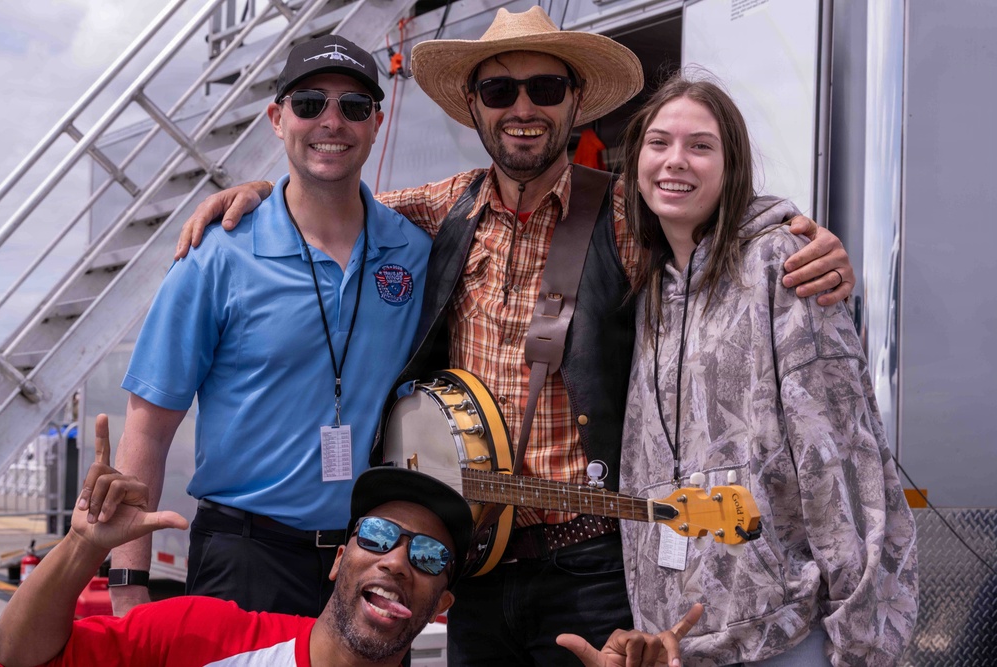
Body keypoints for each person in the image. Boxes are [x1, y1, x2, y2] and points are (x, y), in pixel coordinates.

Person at [172, 7, 856, 664]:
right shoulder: (442, 206)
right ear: (474, 105)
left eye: (545, 88)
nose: (522, 108)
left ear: (575, 101)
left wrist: (797, 232)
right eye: (500, 91)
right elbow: (328, 194)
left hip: (589, 565)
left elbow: (715, 211)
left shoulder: (630, 210)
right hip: (473, 565)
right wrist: (257, 193)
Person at [109, 35, 433, 618]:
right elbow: (148, 430)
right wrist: (129, 583)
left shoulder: (414, 251)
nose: (331, 121)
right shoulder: (216, 255)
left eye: (353, 106)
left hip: (369, 561)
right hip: (245, 556)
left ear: (376, 124)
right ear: (277, 119)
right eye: (309, 103)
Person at [617, 72, 918, 666]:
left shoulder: (782, 261)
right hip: (681, 641)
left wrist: (861, 640)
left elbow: (839, 454)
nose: (675, 160)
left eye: (700, 146)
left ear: (731, 168)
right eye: (659, 142)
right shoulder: (652, 290)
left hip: (785, 634)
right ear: (636, 163)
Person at [0, 415, 701, 667]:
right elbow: (19, 654)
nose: (397, 559)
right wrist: (82, 547)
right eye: (378, 534)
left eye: (429, 556)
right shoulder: (203, 635)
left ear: (443, 603)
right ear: (341, 557)